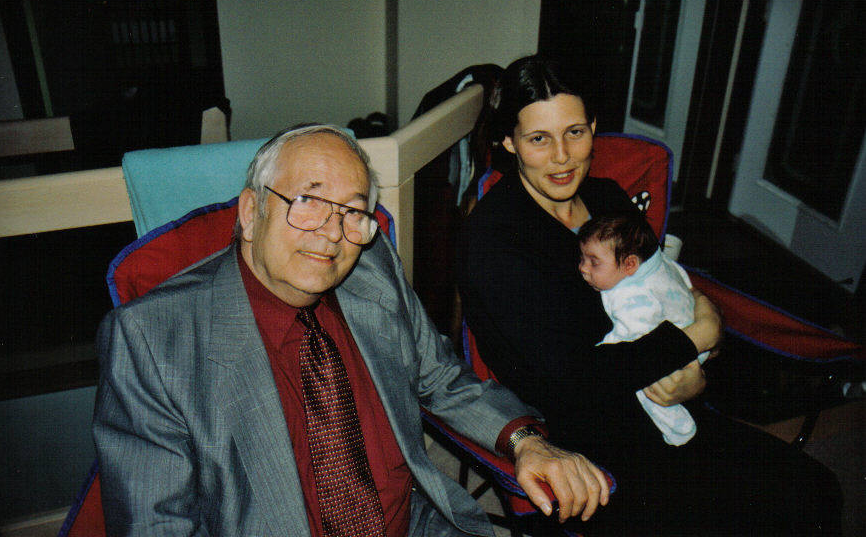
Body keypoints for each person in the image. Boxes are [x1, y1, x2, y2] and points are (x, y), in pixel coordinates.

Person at [92, 124, 611, 537]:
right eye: (309, 202)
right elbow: (156, 524)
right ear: (252, 212)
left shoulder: (371, 267)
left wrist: (525, 441)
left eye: (352, 212)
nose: (332, 234)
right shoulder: (151, 340)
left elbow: (440, 378)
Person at [457, 55, 842, 535]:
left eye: (575, 132)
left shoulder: (608, 201)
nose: (562, 156)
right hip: (587, 449)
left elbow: (667, 293)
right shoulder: (494, 241)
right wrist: (697, 337)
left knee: (815, 491)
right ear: (509, 141)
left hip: (667, 407)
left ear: (593, 127)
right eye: (539, 139)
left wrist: (700, 369)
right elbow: (572, 381)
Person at [579, 212, 709, 446]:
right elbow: (682, 278)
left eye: (593, 262)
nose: (583, 268)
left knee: (644, 384)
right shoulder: (658, 264)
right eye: (582, 258)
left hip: (681, 354)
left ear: (630, 264)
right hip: (693, 325)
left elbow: (633, 343)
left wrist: (602, 348)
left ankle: (680, 428)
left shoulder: (631, 297)